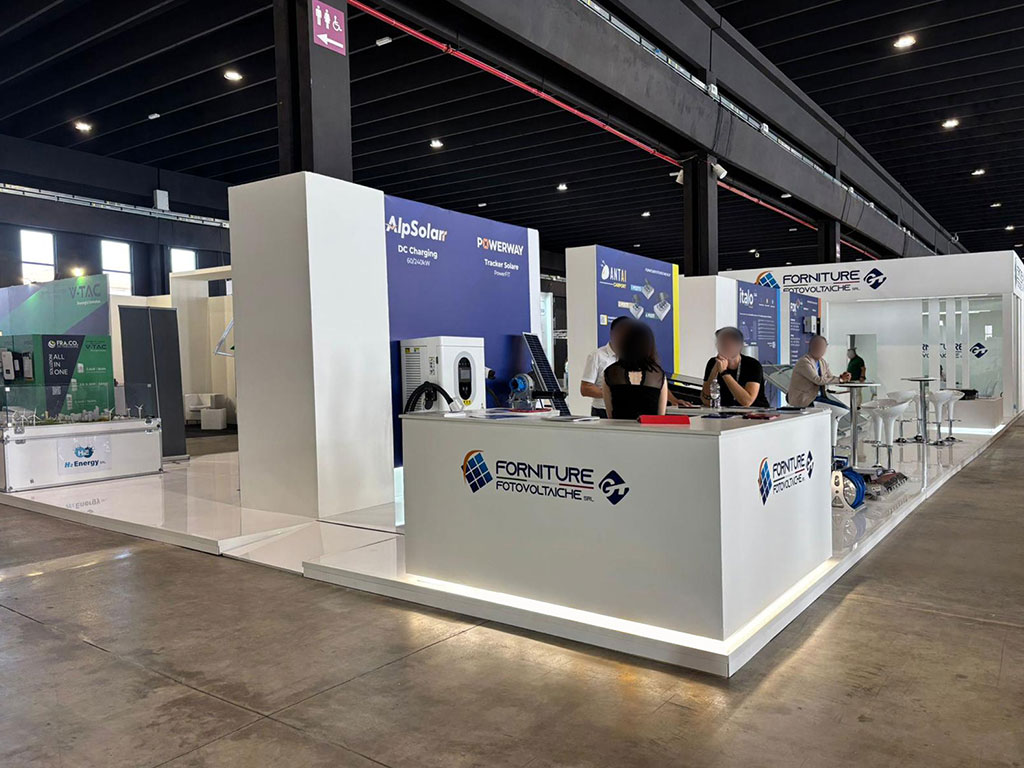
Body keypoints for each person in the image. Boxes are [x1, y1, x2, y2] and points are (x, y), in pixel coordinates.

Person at [602, 322, 668, 420]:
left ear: (624, 344)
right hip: (650, 429)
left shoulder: (610, 373)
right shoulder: (658, 375)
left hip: (619, 429)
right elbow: (660, 416)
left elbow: (610, 415)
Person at [701, 327, 769, 408]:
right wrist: (715, 369)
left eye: (726, 343)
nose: (722, 347)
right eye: (720, 343)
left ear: (739, 345)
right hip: (725, 411)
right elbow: (706, 400)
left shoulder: (752, 364)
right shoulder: (713, 362)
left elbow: (747, 402)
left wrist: (724, 373)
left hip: (754, 412)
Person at [580, 316, 630, 417]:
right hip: (602, 411)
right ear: (612, 334)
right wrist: (612, 394)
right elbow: (585, 388)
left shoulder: (632, 357)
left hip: (626, 411)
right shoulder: (597, 356)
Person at [788, 335, 851, 408]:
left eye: (823, 347)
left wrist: (843, 377)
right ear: (811, 346)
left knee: (844, 408)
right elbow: (817, 380)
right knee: (841, 409)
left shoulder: (822, 362)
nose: (820, 349)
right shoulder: (804, 362)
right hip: (805, 399)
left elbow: (830, 378)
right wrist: (840, 379)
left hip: (819, 397)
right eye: (817, 346)